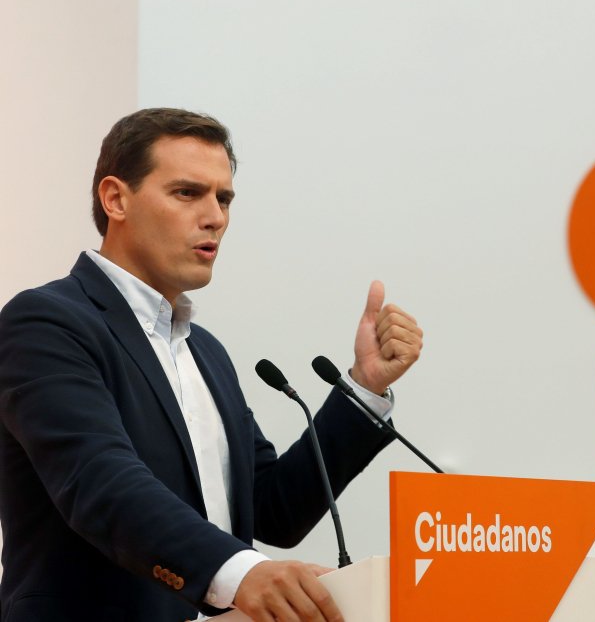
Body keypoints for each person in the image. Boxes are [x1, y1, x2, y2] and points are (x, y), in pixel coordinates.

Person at [0, 108, 423, 622]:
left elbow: (274, 509)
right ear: (116, 199)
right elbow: (98, 480)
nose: (215, 217)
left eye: (223, 199)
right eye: (187, 193)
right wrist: (242, 574)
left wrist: (365, 388)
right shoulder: (45, 323)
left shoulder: (206, 352)